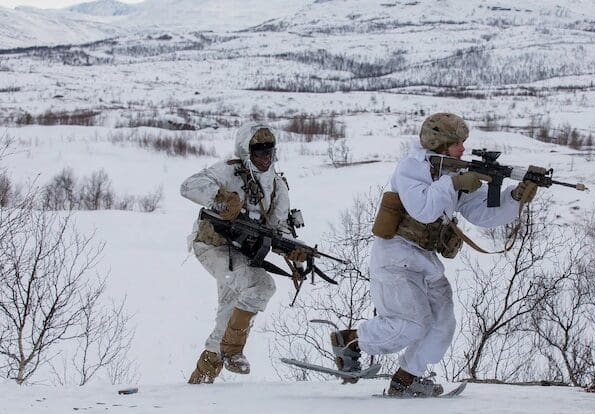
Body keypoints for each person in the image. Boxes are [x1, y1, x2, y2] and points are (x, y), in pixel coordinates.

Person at [329, 113, 539, 396]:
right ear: (438, 143)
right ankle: (350, 341)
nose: (463, 149)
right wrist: (453, 184)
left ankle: (406, 380)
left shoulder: (452, 171)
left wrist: (514, 198)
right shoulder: (412, 168)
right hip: (395, 259)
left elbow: (480, 213)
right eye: (457, 144)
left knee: (442, 324)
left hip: (425, 260)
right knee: (412, 325)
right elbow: (423, 209)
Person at [181, 122, 305, 384]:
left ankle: (201, 380)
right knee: (260, 286)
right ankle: (232, 351)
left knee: (229, 312)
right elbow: (189, 185)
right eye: (259, 152)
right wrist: (221, 198)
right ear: (247, 152)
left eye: (269, 151)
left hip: (242, 252)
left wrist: (293, 250)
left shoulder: (277, 186)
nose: (265, 157)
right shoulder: (229, 172)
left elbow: (278, 227)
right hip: (212, 245)